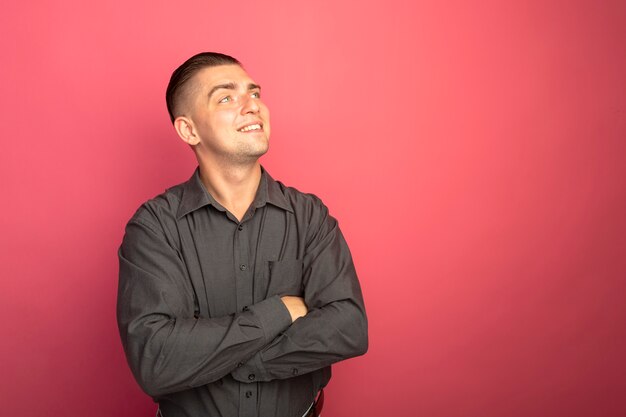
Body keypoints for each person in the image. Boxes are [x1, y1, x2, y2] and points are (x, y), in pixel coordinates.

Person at [117, 52, 368, 417]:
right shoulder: (154, 228)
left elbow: (348, 327)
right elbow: (156, 360)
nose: (252, 106)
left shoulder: (310, 216)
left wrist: (221, 363)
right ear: (189, 130)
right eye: (226, 97)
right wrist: (278, 312)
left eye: (255, 93)